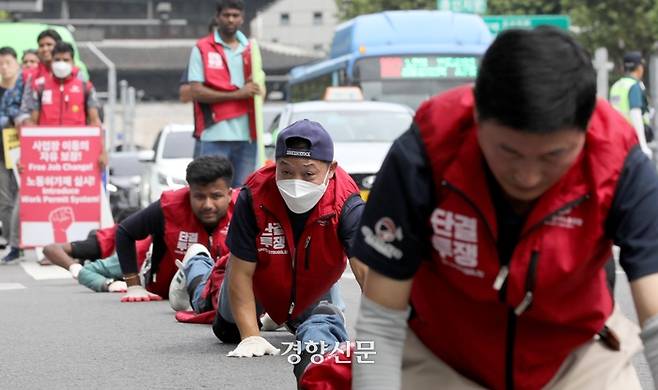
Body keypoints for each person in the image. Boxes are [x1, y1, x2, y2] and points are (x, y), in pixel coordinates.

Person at [344, 27, 658, 390]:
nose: (527, 177)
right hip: (439, 357)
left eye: (553, 156)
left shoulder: (620, 163)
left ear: (585, 130)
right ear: (476, 117)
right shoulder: (424, 152)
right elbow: (379, 322)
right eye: (508, 151)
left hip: (578, 354)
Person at [211, 119, 367, 384]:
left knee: (323, 322)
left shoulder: (348, 204)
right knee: (228, 331)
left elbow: (368, 273)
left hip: (314, 286)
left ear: (331, 170)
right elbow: (240, 271)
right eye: (285, 171)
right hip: (259, 281)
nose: (296, 182)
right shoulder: (252, 197)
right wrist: (250, 336)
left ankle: (305, 353)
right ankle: (198, 269)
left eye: (308, 174)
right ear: (274, 168)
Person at [116, 155, 235, 302]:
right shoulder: (168, 207)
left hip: (226, 292)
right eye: (199, 197)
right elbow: (124, 232)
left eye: (216, 196)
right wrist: (133, 286)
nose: (208, 205)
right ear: (189, 192)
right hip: (165, 293)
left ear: (229, 194)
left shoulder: (244, 210)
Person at [188, 0, 263, 187]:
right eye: (226, 15)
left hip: (247, 136)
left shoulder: (251, 49)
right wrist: (238, 94)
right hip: (213, 134)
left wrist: (258, 91)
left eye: (235, 16)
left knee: (242, 195)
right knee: (210, 190)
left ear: (242, 19)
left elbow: (259, 88)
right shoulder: (202, 48)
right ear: (217, 17)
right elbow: (196, 91)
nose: (231, 20)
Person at [24, 42, 101, 127]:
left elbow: (94, 122)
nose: (61, 64)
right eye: (57, 60)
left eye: (65, 60)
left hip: (76, 138)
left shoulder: (86, 87)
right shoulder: (40, 87)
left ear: (73, 62)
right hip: (48, 138)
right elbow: (32, 122)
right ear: (52, 61)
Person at [610, 51, 653, 158]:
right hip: (633, 141)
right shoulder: (634, 86)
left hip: (617, 141)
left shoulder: (616, 86)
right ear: (639, 68)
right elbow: (635, 114)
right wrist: (643, 146)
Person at [0, 47, 20, 261]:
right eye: (0, 63)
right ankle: (11, 242)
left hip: (23, 152)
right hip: (1, 153)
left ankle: (20, 240)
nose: (4, 67)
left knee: (24, 198)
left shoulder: (25, 90)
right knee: (5, 201)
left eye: (8, 62)